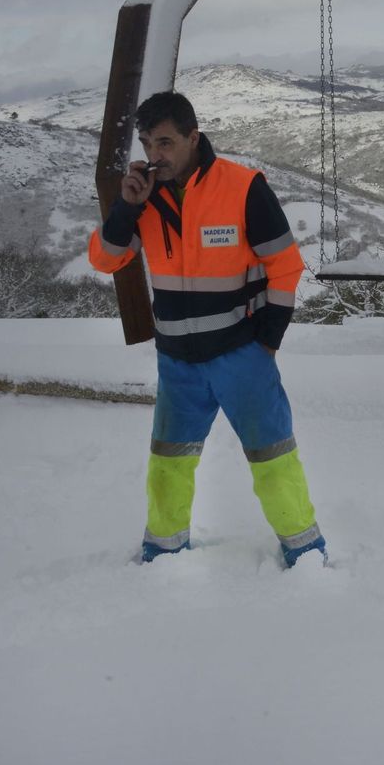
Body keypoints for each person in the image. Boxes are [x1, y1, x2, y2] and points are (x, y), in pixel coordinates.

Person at [87, 91, 326, 567]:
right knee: (168, 464)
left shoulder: (242, 186)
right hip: (178, 361)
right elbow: (105, 259)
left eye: (166, 143)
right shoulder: (145, 199)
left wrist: (267, 343)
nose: (156, 156)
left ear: (193, 138)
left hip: (242, 355)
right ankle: (163, 551)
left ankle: (305, 552)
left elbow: (285, 266)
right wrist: (126, 208)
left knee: (273, 459)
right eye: (148, 144)